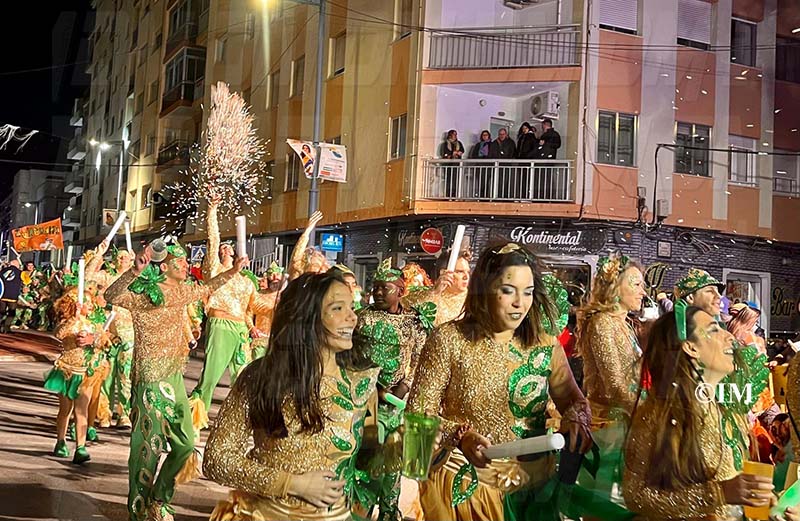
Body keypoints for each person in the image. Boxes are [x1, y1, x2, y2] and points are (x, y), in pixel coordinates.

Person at [407, 242, 592, 521]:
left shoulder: (545, 345)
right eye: (508, 290)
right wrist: (460, 437)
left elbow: (573, 401)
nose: (520, 303)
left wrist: (578, 419)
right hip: (468, 490)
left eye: (528, 292)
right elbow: (418, 414)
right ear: (485, 288)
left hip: (534, 493)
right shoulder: (448, 339)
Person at [203, 272, 380, 521]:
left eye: (351, 307)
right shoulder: (261, 378)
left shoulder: (361, 384)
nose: (352, 317)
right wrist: (292, 484)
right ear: (307, 317)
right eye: (338, 308)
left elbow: (366, 462)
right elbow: (216, 459)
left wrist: (396, 448)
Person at [105, 238, 246, 521]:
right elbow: (111, 296)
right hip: (149, 379)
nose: (185, 264)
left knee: (185, 445)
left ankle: (159, 498)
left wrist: (233, 271)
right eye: (179, 261)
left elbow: (208, 287)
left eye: (185, 260)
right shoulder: (144, 294)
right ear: (164, 267)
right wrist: (134, 271)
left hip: (175, 378)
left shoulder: (182, 293)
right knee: (147, 450)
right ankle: (138, 511)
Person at [623, 306, 800, 521]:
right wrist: (719, 493)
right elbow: (636, 496)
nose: (730, 337)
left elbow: (727, 483)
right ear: (691, 348)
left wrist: (756, 497)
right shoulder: (660, 414)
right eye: (714, 330)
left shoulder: (724, 409)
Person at [575, 253, 646, 505]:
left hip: (627, 422)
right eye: (636, 284)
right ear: (615, 287)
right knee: (608, 503)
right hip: (609, 431)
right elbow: (615, 385)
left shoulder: (625, 324)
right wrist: (649, 410)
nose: (643, 292)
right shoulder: (603, 323)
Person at [189, 201, 259, 432]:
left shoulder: (247, 281)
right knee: (211, 375)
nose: (225, 249)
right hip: (221, 325)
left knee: (243, 375)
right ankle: (195, 419)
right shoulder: (215, 271)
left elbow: (257, 306)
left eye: (229, 248)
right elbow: (213, 239)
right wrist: (212, 211)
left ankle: (241, 421)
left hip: (240, 330)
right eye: (222, 249)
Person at [43, 288, 110, 464]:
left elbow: (105, 342)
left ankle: (81, 447)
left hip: (86, 374)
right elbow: (58, 334)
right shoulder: (69, 322)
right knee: (65, 410)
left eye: (90, 302)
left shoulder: (94, 324)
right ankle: (60, 441)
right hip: (67, 372)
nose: (90, 305)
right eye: (85, 302)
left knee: (82, 412)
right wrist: (75, 317)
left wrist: (92, 340)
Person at [85, 239, 136, 428]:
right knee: (106, 373)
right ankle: (103, 413)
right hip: (107, 330)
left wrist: (139, 265)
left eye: (126, 257)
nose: (123, 260)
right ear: (114, 260)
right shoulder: (106, 277)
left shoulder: (135, 279)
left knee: (126, 374)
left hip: (129, 332)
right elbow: (87, 277)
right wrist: (99, 253)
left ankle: (125, 413)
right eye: (120, 257)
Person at [403, 248, 470, 327]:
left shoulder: (473, 299)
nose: (466, 277)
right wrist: (434, 293)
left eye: (468, 272)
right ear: (444, 273)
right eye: (460, 272)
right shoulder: (430, 295)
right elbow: (406, 304)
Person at [248, 262, 285, 358]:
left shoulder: (287, 295)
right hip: (261, 338)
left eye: (277, 275)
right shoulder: (259, 294)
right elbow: (248, 312)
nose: (275, 278)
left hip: (281, 339)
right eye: (272, 276)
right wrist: (252, 328)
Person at [288, 211, 328, 281]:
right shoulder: (300, 279)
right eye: (315, 265)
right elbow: (295, 260)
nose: (320, 270)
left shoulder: (324, 281)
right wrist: (307, 231)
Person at [468, 130, 493, 199]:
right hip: (479, 166)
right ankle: (481, 196)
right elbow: (474, 155)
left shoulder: (492, 144)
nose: (485, 136)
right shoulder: (478, 145)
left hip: (488, 166)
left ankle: (486, 197)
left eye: (486, 135)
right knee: (480, 182)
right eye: (483, 135)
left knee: (487, 182)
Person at [0, 259, 22, 333]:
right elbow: (27, 281)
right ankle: (6, 328)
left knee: (1, 312)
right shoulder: (20, 272)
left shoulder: (2, 271)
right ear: (17, 265)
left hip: (2, 295)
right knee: (11, 313)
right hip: (12, 297)